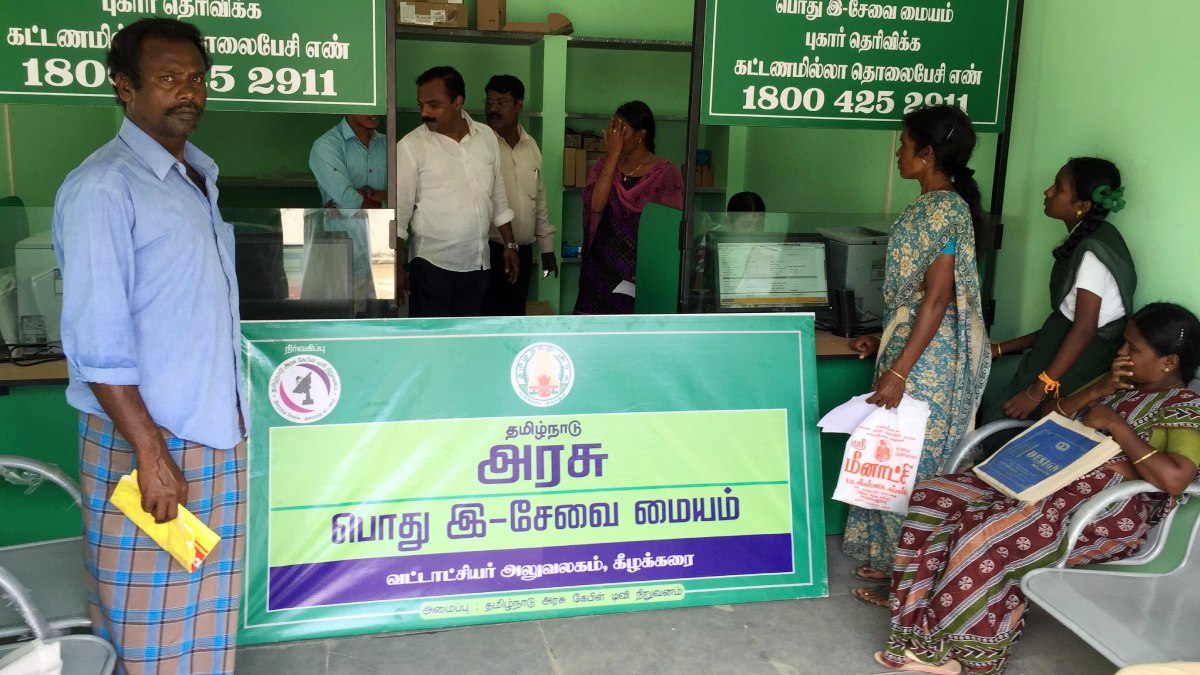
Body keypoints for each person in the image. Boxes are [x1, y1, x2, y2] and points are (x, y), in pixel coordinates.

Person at [51, 18, 247, 674]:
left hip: (210, 432)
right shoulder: (104, 187)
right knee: (147, 617)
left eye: (196, 78)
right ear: (125, 86)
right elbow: (97, 343)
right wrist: (152, 453)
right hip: (145, 442)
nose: (188, 91)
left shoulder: (198, 175)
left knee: (205, 607)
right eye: (167, 78)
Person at [874, 302, 1200, 675]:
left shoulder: (1185, 405)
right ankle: (914, 625)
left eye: (1133, 348)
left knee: (983, 530)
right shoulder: (1116, 383)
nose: (1121, 353)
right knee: (933, 497)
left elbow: (1175, 478)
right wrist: (1100, 390)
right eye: (1122, 343)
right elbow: (1047, 416)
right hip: (1042, 480)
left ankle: (967, 654)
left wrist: (1117, 425)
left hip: (1098, 512)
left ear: (1168, 363)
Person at [845, 104, 991, 608]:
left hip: (927, 362)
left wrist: (900, 371)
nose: (898, 153)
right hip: (914, 345)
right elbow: (915, 300)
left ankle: (909, 584)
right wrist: (881, 338)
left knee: (914, 464)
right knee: (895, 457)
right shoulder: (932, 205)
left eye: (905, 145)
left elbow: (938, 296)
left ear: (927, 154)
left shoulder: (946, 209)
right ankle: (893, 561)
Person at [983, 158, 1136, 422]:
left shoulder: (1092, 255)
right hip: (1059, 356)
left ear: (1082, 206)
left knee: (1001, 422)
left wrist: (1036, 392)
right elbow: (1062, 324)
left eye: (1058, 188)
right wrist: (999, 349)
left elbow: (1084, 328)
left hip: (1070, 368)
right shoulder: (1095, 237)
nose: (1048, 192)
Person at [394, 66, 520, 317]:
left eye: (433, 105)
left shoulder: (486, 137)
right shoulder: (410, 146)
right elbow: (399, 215)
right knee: (431, 338)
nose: (424, 112)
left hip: (478, 265)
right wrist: (395, 267)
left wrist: (510, 244)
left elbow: (497, 196)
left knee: (468, 338)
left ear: (458, 101)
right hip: (431, 267)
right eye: (421, 104)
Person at [574, 100, 684, 315]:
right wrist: (613, 155)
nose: (613, 135)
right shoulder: (605, 165)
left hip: (641, 272)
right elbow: (596, 205)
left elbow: (669, 230)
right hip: (600, 270)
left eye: (621, 129)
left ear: (640, 135)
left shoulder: (665, 173)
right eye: (612, 127)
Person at [480, 74, 557, 316]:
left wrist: (547, 248)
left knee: (514, 317)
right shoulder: (480, 145)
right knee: (487, 319)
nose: (493, 109)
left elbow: (539, 200)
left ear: (519, 105)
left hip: (523, 252)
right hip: (489, 251)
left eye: (501, 102)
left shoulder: (531, 146)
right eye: (489, 102)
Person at [307, 113, 388, 313]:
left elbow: (403, 195)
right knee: (347, 321)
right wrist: (383, 203)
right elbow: (348, 200)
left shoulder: (387, 144)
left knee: (383, 323)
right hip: (344, 258)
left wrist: (363, 195)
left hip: (384, 257)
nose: (376, 111)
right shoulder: (327, 145)